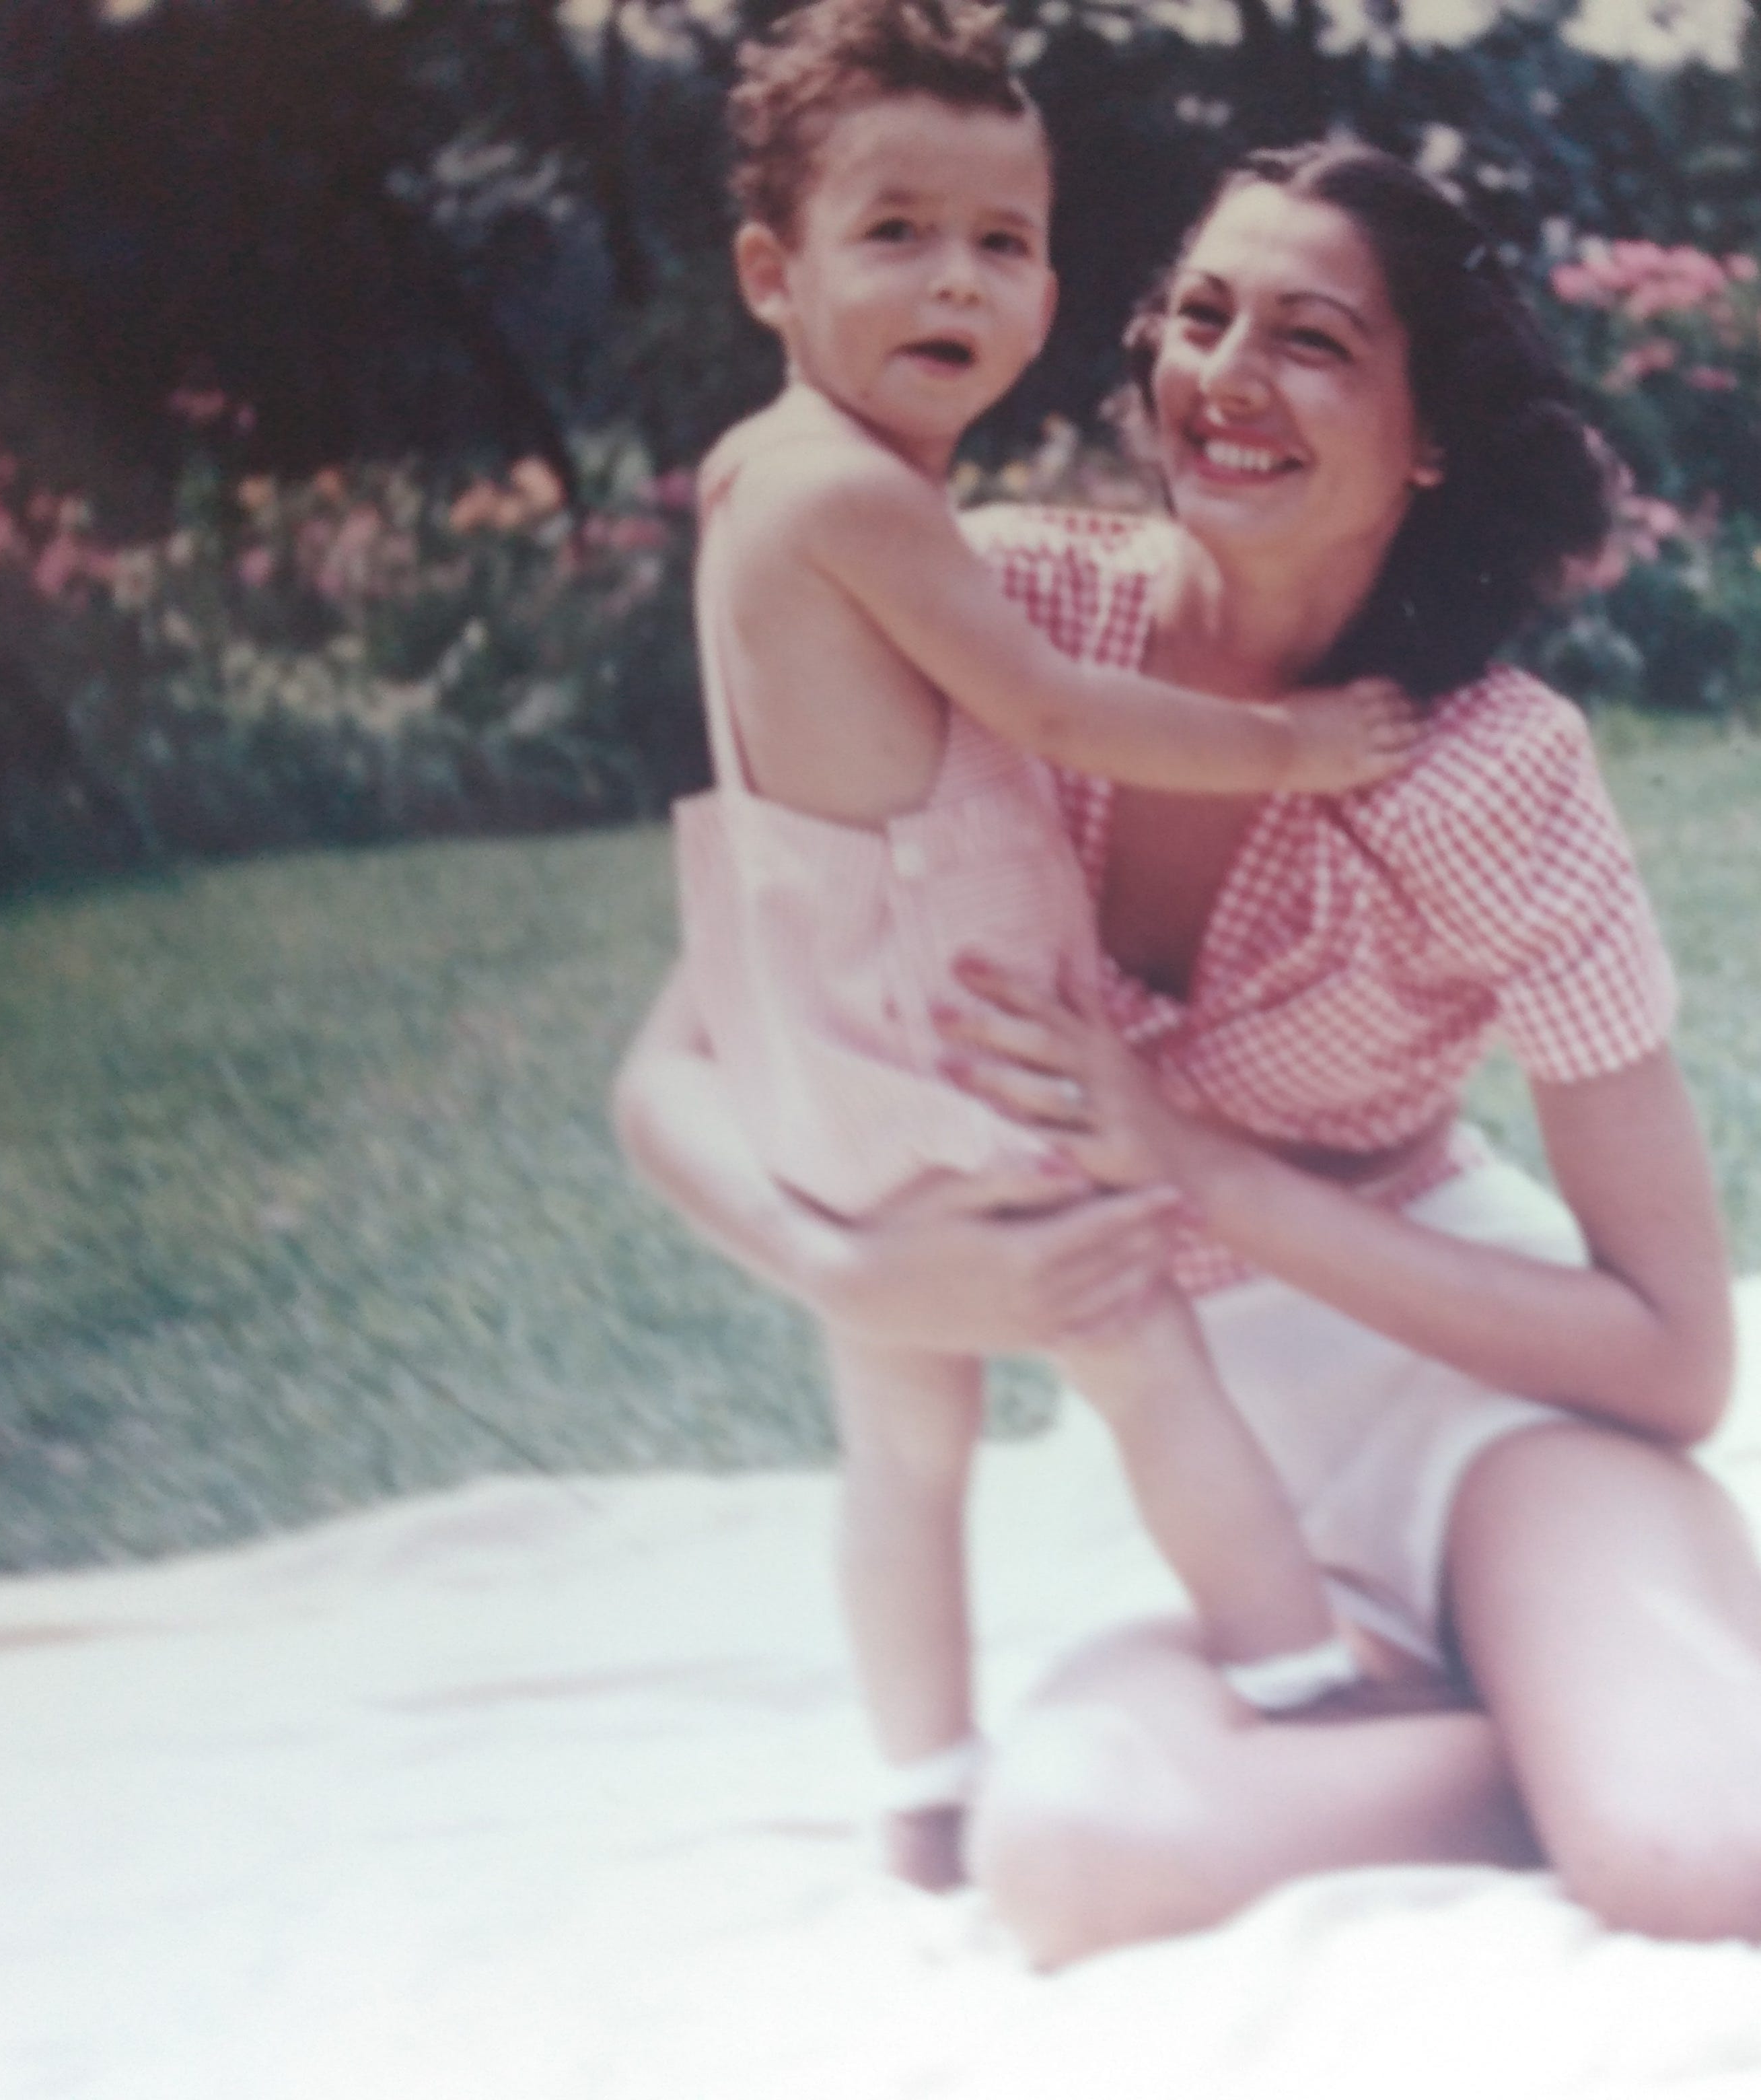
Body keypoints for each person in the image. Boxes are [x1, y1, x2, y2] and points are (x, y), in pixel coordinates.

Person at [618, 137, 1761, 1963]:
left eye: (1315, 340)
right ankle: (1615, 1734)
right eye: (1200, 314)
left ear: (1431, 436)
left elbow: (1674, 1357)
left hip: (1481, 1421)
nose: (1225, 378)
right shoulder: (998, 616)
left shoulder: (1493, 769)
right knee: (1077, 1854)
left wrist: (1195, 1169)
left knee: (1709, 1852)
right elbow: (674, 1066)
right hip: (1218, 1493)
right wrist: (859, 1265)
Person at [668, 0, 1421, 1893]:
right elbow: (1060, 709)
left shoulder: (766, 476)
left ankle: (923, 1781)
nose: (959, 281)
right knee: (1152, 1366)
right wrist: (1287, 745)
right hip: (963, 1043)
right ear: (775, 271)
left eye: (1002, 243)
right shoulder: (848, 493)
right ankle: (1309, 1688)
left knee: (904, 1434)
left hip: (833, 1058)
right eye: (896, 233)